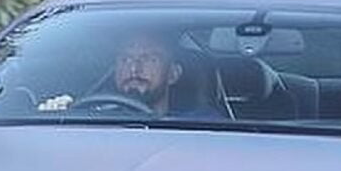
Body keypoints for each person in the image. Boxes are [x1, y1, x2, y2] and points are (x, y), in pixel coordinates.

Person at [38, 32, 220, 118]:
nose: (134, 68)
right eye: (125, 59)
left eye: (149, 59)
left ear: (173, 74)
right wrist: (54, 118)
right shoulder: (90, 119)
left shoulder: (203, 124)